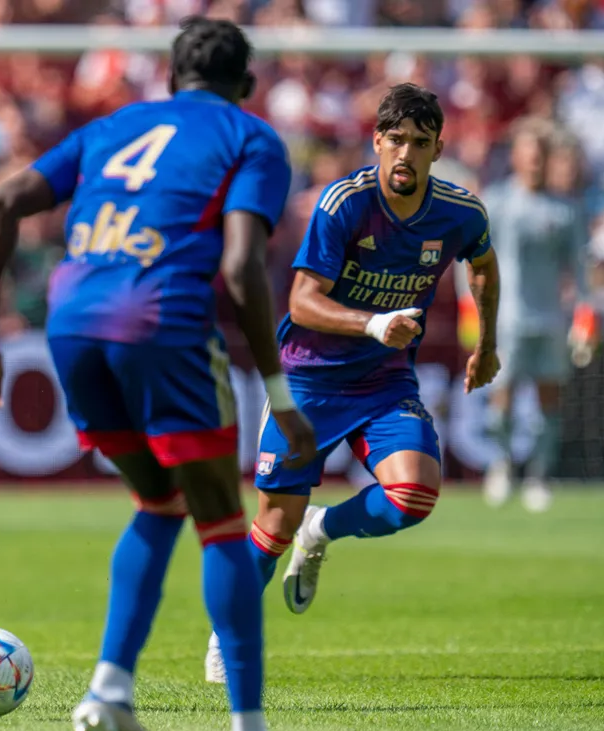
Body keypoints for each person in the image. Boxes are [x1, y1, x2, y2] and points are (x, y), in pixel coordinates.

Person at [0, 17, 316, 731]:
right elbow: (246, 267)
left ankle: (111, 689)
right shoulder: (252, 139)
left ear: (169, 77)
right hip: (160, 320)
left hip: (72, 321)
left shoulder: (114, 126)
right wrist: (281, 395)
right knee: (223, 519)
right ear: (244, 85)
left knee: (158, 505)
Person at [205, 83, 503, 682]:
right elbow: (302, 300)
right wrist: (374, 322)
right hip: (309, 379)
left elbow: (484, 267)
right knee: (273, 526)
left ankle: (326, 526)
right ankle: (228, 633)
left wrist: (487, 346)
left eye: (420, 144)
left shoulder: (461, 212)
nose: (405, 155)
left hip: (385, 380)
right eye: (395, 140)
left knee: (414, 496)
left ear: (438, 149)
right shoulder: (344, 203)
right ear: (376, 141)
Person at [479, 121, 591, 512]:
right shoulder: (496, 202)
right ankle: (503, 465)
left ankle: (540, 474)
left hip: (550, 319)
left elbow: (579, 268)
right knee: (502, 398)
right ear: (516, 157)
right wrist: (469, 309)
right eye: (529, 155)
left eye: (540, 156)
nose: (535, 163)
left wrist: (585, 314)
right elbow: (472, 261)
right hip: (505, 319)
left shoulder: (565, 210)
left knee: (549, 400)